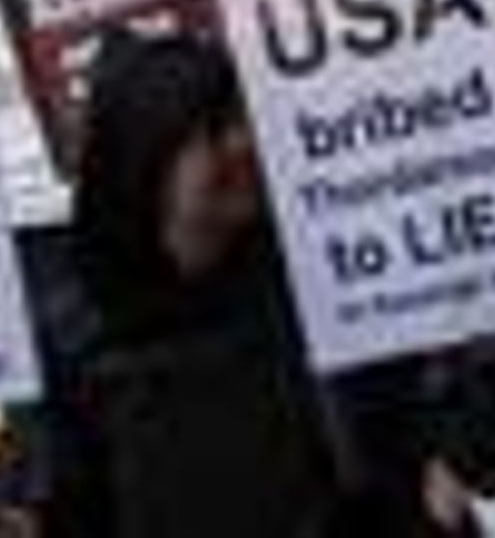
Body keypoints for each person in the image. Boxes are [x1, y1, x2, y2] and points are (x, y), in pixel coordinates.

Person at [46, 30, 342, 538]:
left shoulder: (320, 278)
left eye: (245, 121)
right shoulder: (72, 336)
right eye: (214, 128)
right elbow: (66, 505)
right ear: (147, 157)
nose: (243, 143)